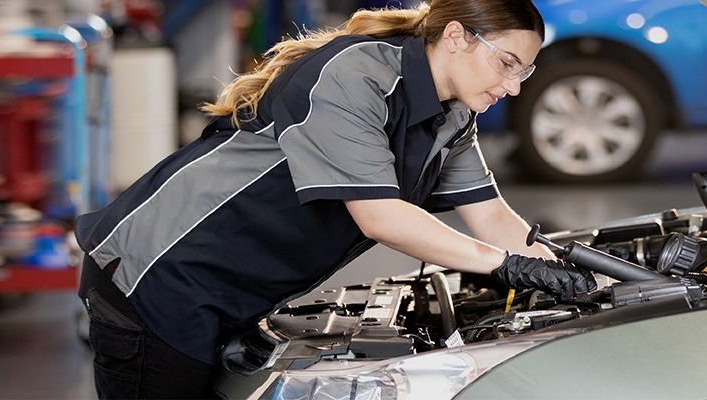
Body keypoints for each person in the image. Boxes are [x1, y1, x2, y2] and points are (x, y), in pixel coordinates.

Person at [73, 0, 597, 398]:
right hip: (162, 274)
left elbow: (491, 216)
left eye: (524, 72)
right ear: (457, 36)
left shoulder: (453, 116)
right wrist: (504, 265)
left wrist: (581, 279)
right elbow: (380, 217)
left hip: (233, 289)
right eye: (507, 63)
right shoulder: (357, 74)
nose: (513, 87)